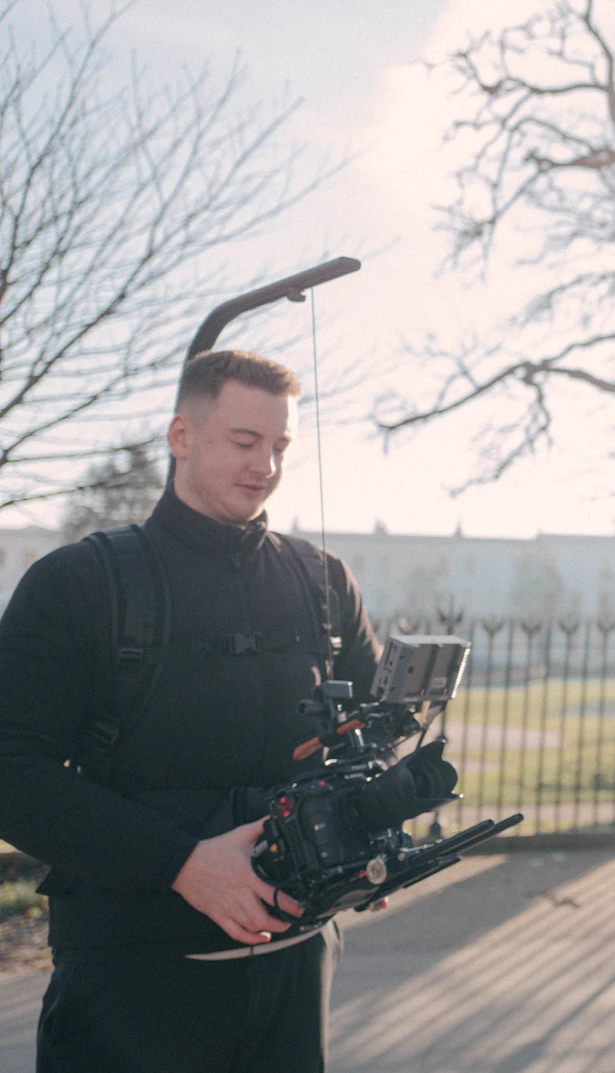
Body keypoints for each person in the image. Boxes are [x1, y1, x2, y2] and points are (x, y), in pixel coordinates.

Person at [0, 350, 381, 1072]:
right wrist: (179, 863)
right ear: (181, 436)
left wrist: (364, 835)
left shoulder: (323, 581)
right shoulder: (79, 583)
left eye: (280, 446)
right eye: (245, 441)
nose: (265, 465)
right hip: (130, 981)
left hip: (296, 973)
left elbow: (371, 737)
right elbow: (10, 771)